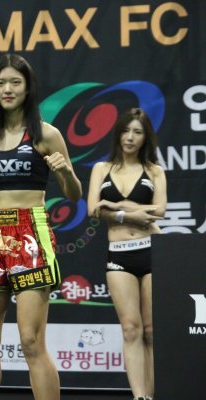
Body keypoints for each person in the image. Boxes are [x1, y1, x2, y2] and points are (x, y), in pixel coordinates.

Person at [0, 53, 82, 400]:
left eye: (15, 82)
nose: (7, 89)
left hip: (31, 233)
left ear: (28, 88)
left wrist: (65, 172)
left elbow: (74, 194)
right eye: (1, 83)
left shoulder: (47, 134)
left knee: (30, 341)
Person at [87, 108, 166, 400]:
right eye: (125, 131)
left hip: (150, 251)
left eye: (137, 132)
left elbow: (159, 211)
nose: (130, 137)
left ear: (146, 137)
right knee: (131, 329)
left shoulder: (154, 171)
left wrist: (116, 206)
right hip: (119, 254)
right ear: (117, 134)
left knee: (151, 330)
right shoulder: (102, 168)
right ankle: (139, 396)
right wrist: (131, 214)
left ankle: (152, 394)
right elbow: (93, 209)